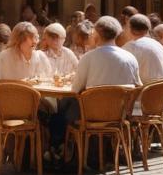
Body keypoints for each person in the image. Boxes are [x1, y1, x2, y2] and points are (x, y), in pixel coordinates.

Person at [47, 16, 141, 152]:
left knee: (61, 110)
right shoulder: (130, 58)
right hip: (120, 115)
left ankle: (60, 150)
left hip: (91, 116)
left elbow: (75, 90)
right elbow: (138, 86)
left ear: (96, 34)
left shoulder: (88, 58)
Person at [122, 14, 163, 83]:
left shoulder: (128, 48)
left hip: (146, 92)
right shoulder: (158, 45)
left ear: (129, 29)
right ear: (148, 29)